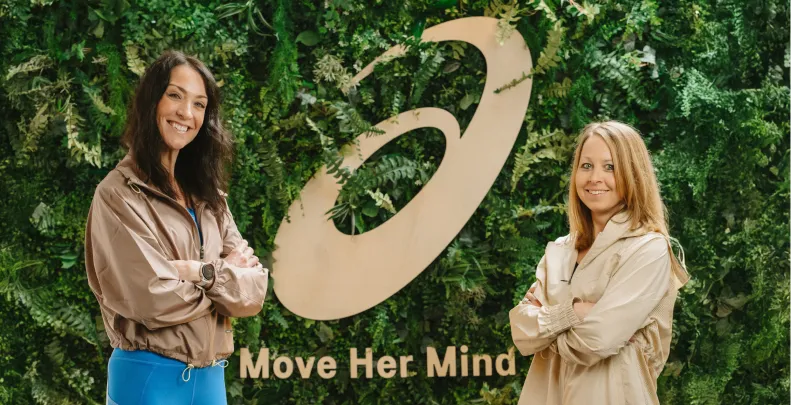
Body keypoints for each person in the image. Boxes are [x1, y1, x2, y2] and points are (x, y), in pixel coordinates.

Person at [84, 50, 269, 405]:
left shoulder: (209, 196)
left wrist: (200, 272)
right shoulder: (118, 194)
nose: (186, 112)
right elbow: (151, 297)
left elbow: (254, 291)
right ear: (152, 101)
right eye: (175, 95)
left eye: (199, 104)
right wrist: (225, 281)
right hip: (148, 376)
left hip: (211, 378)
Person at [509, 121, 690, 405]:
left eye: (610, 167)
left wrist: (545, 329)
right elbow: (521, 331)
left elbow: (595, 341)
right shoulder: (560, 249)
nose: (595, 177)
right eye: (586, 166)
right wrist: (574, 312)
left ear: (633, 174)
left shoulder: (648, 249)